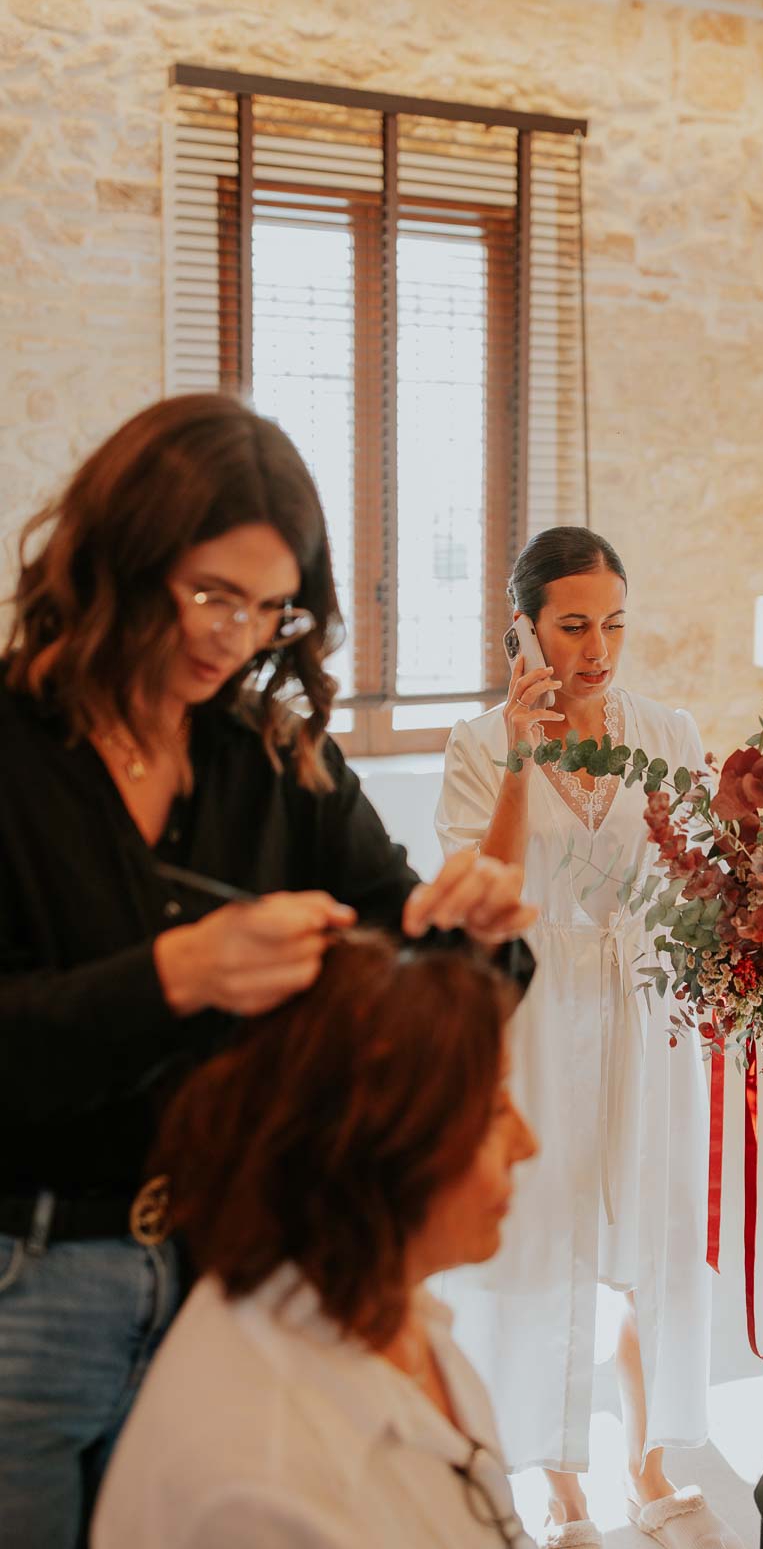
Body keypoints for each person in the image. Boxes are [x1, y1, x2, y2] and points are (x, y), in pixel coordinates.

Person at [0, 393, 535, 1549]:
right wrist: (174, 974)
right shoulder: (12, 754)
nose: (233, 637)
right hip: (21, 1282)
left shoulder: (274, 759)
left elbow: (414, 952)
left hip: (225, 1270)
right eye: (207, 593)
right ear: (118, 552)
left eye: (268, 608)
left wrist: (474, 926)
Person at [436, 527, 743, 1549]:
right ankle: (562, 1477)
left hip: (648, 1011)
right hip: (534, 1011)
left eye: (613, 622)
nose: (598, 647)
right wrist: (525, 761)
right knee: (548, 1230)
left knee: (646, 1231)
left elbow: (704, 882)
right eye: (572, 625)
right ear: (521, 629)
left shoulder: (668, 730)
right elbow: (483, 891)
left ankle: (646, 1459)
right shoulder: (477, 747)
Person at [92, 927, 540, 1548]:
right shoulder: (260, 1488)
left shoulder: (385, 1298)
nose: (528, 1144)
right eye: (492, 1112)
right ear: (383, 1142)